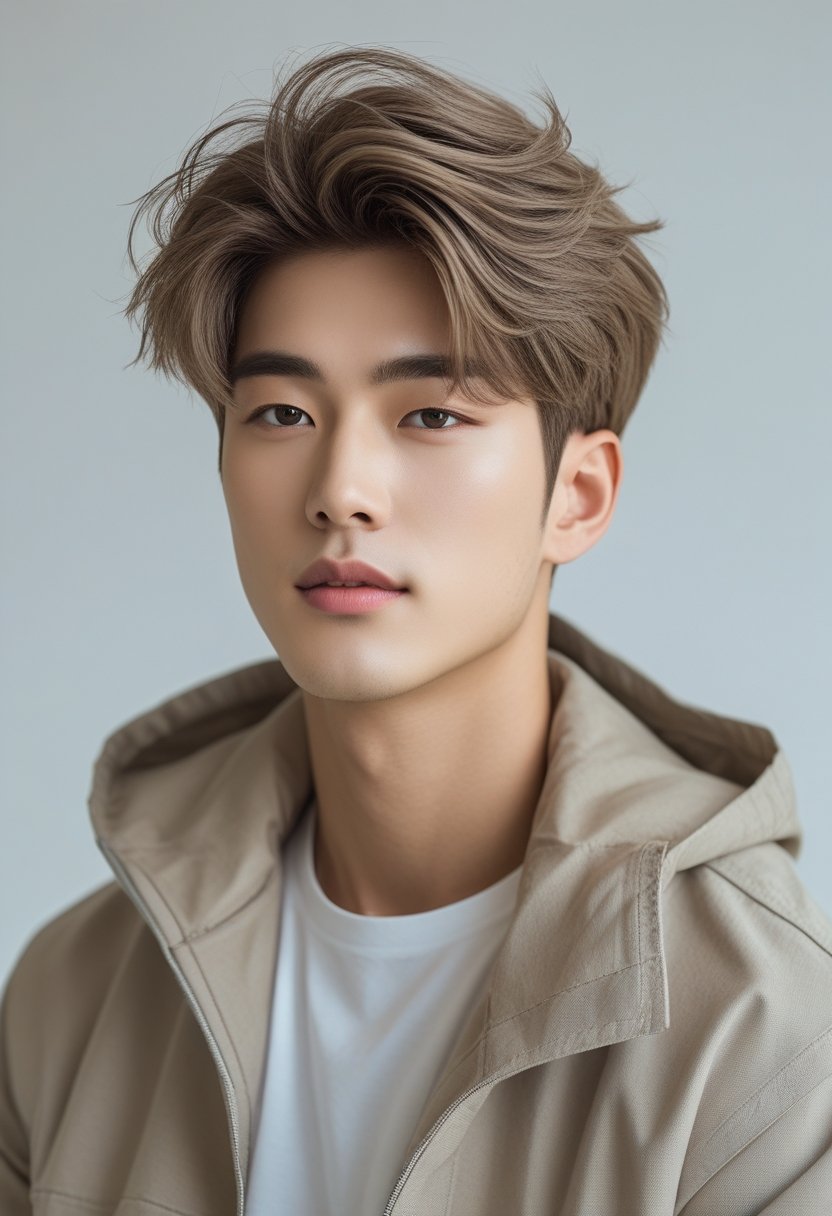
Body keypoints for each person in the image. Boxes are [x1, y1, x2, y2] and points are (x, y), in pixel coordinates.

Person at [1, 43, 830, 1216]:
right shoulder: (69, 997)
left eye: (430, 414)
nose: (341, 489)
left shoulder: (769, 1034)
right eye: (280, 412)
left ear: (577, 494)